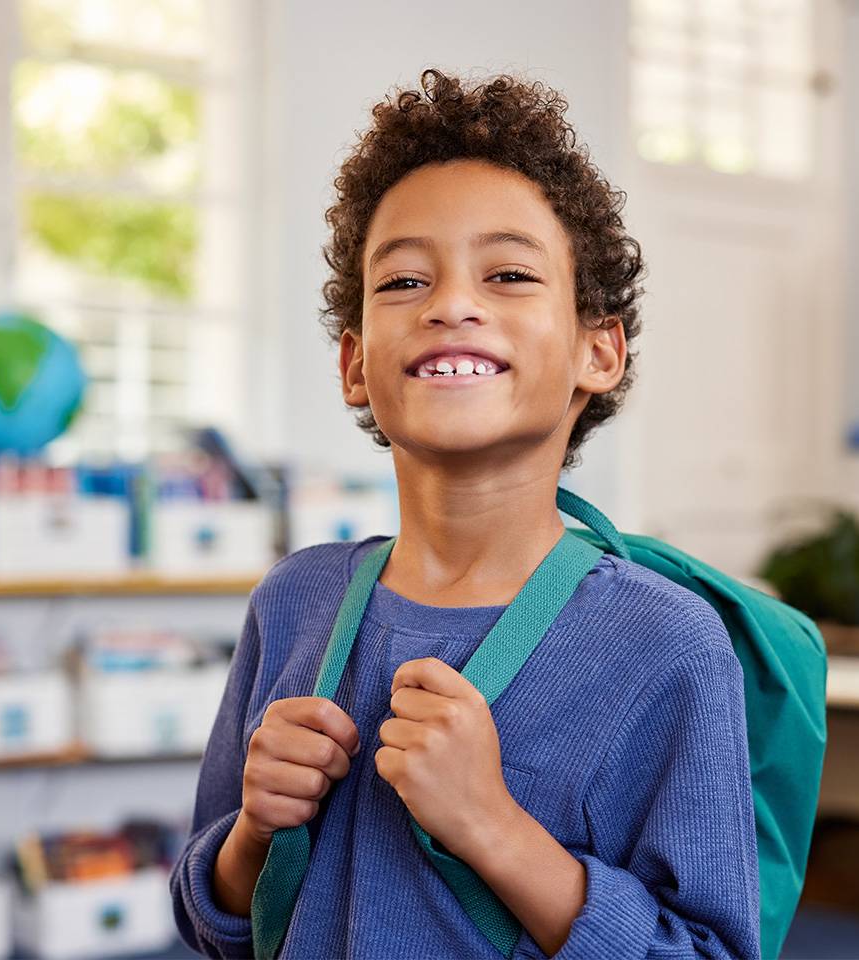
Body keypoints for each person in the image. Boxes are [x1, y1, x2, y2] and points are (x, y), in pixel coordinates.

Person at [171, 68, 760, 959]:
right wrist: (252, 835)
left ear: (596, 352)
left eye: (511, 273)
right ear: (355, 365)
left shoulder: (667, 645)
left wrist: (492, 825)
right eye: (403, 280)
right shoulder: (294, 603)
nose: (451, 303)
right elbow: (209, 920)